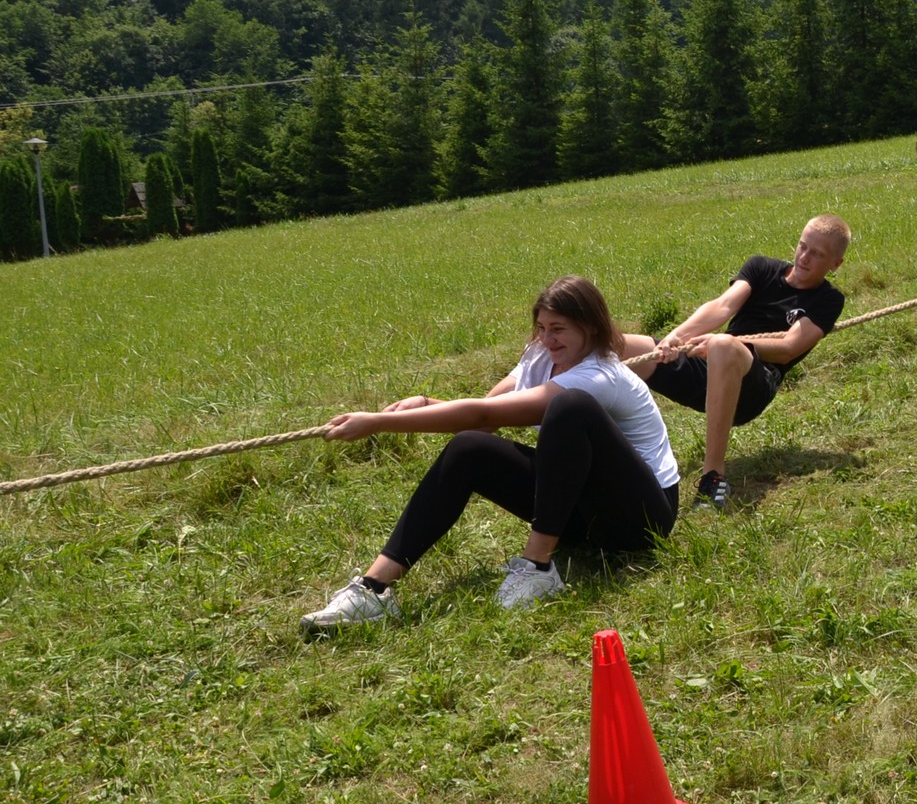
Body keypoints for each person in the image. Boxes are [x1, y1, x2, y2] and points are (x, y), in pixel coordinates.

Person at [301, 276, 679, 629]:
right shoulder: (540, 356)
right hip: (583, 516)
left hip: (641, 519)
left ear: (591, 327)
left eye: (558, 329)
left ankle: (537, 568)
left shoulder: (599, 376)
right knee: (469, 446)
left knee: (570, 407)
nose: (547, 339)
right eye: (542, 327)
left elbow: (484, 414)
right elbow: (486, 417)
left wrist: (379, 423)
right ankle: (374, 589)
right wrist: (426, 403)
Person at [621, 215, 849, 513]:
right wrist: (674, 337)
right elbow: (722, 306)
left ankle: (712, 478)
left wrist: (726, 344)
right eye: (803, 246)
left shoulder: (828, 299)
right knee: (615, 344)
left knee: (723, 345)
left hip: (753, 386)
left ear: (836, 264)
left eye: (817, 254)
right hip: (709, 369)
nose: (804, 257)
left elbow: (789, 348)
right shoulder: (762, 267)